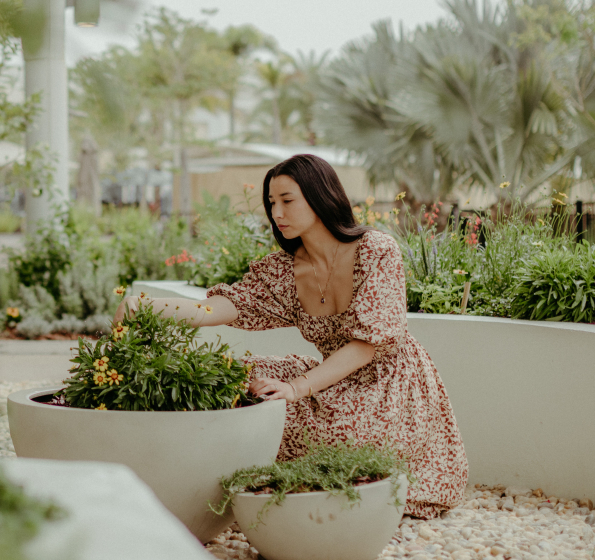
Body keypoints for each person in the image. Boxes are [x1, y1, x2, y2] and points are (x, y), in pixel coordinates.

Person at [114, 154, 468, 518]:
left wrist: (296, 388)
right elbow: (224, 308)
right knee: (229, 378)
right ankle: (203, 489)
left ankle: (291, 491)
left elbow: (366, 346)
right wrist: (150, 307)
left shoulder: (376, 251)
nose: (276, 213)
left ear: (320, 196)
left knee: (315, 425)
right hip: (329, 380)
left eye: (287, 200)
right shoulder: (284, 270)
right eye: (271, 203)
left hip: (390, 388)